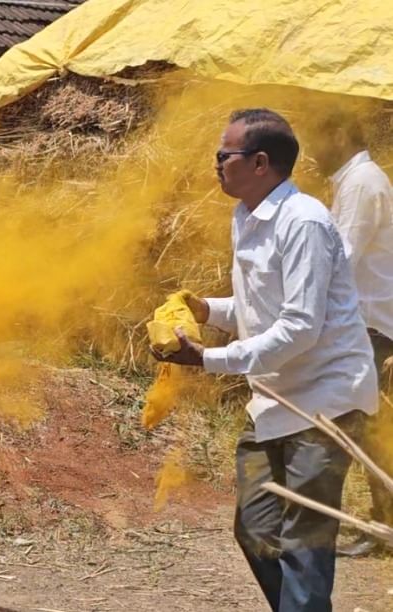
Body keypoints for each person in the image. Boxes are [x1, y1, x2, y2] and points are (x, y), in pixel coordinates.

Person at [155, 108, 378, 612]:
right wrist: (206, 309)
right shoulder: (246, 218)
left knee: (304, 540)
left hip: (325, 404)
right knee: (256, 528)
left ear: (259, 163)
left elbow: (300, 327)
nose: (216, 164)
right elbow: (258, 309)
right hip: (276, 400)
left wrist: (209, 359)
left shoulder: (305, 223)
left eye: (223, 155)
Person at [308, 112, 393, 557]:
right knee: (368, 429)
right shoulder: (356, 181)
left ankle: (384, 528)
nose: (311, 151)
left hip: (372, 327)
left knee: (368, 430)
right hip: (369, 324)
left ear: (338, 133)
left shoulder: (361, 183)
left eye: (315, 139)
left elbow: (340, 257)